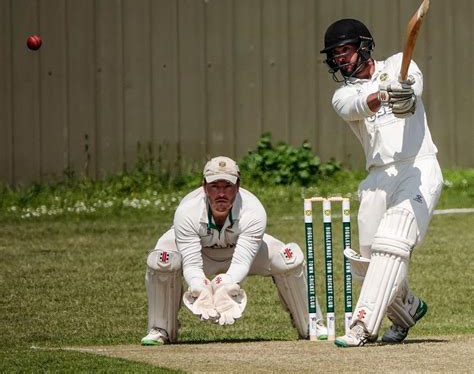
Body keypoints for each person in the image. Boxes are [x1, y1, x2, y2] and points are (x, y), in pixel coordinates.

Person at [319, 19, 443, 347]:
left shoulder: (400, 63)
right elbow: (359, 106)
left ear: (363, 46)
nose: (340, 59)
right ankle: (408, 310)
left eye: (344, 51)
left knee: (393, 241)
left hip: (418, 167)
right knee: (368, 262)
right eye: (335, 55)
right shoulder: (343, 94)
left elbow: (412, 88)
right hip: (377, 177)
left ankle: (362, 325)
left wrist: (403, 92)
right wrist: (383, 94)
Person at [141, 156, 327, 345]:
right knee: (162, 259)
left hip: (238, 255)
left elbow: (241, 262)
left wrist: (226, 282)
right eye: (214, 186)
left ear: (237, 186)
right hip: (200, 254)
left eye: (227, 186)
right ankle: (161, 328)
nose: (221, 193)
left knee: (288, 259)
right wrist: (199, 285)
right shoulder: (187, 210)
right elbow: (191, 263)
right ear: (204, 187)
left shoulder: (253, 210)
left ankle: (311, 324)